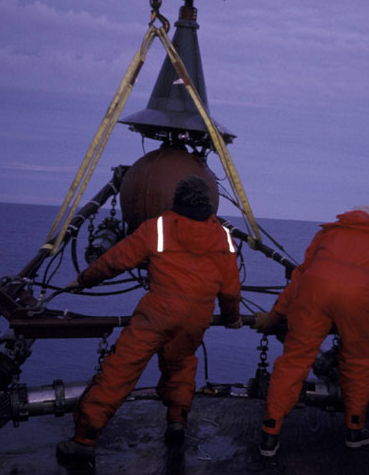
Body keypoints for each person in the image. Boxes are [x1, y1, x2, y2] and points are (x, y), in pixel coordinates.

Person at [56, 175, 243, 464]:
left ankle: (85, 438)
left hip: (158, 312)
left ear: (177, 200)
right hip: (196, 319)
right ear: (209, 202)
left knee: (121, 370)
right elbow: (230, 289)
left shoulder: (159, 227)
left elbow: (115, 260)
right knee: (180, 365)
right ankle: (177, 423)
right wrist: (232, 318)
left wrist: (83, 280)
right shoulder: (224, 236)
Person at [252, 206, 369, 457]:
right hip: (357, 300)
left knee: (294, 362)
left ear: (347, 218)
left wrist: (275, 315)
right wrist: (364, 324)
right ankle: (354, 430)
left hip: (314, 292)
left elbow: (300, 277)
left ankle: (270, 433)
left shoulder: (328, 233)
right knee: (357, 362)